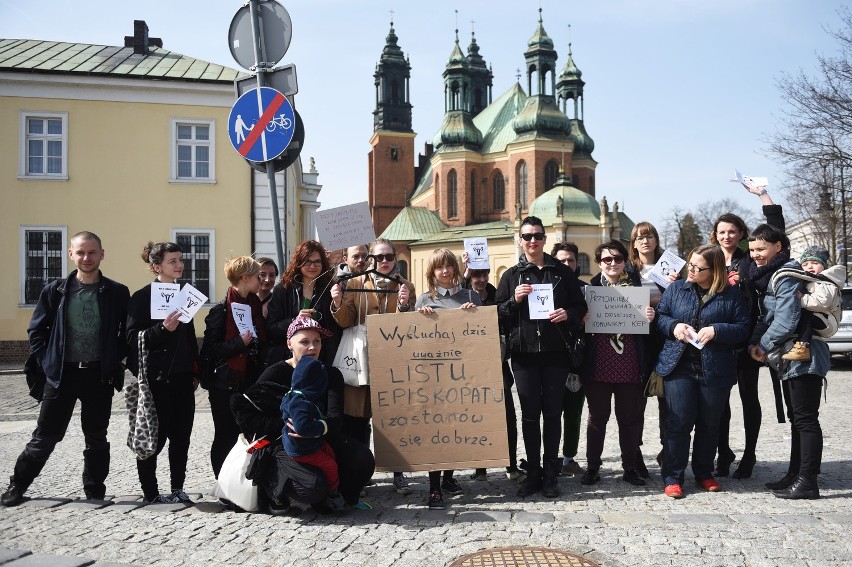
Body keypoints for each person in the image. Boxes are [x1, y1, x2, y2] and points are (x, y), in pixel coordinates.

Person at [2, 232, 130, 506]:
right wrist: (48, 362)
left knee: (96, 437)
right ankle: (17, 486)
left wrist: (115, 360)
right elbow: (36, 331)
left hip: (99, 375)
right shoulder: (55, 290)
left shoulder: (117, 292)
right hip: (62, 375)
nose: (86, 258)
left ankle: (95, 489)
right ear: (71, 254)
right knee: (45, 435)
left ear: (102, 254)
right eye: (80, 252)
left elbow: (125, 333)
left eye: (92, 252)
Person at [231, 317, 375, 514]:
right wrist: (287, 426)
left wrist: (316, 428)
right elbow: (247, 417)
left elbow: (335, 418)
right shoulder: (276, 372)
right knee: (313, 487)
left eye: (317, 341)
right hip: (284, 445)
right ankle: (276, 489)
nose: (312, 347)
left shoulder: (330, 374)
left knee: (363, 459)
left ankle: (337, 494)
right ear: (289, 343)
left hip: (320, 439)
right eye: (304, 342)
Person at [495, 216, 586, 498]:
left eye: (537, 235)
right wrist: (515, 301)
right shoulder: (511, 275)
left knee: (552, 415)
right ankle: (532, 473)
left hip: (556, 353)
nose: (532, 241)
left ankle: (550, 475)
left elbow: (580, 305)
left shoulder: (561, 272)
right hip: (523, 356)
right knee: (530, 417)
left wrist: (567, 314)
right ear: (520, 240)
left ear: (544, 239)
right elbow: (498, 313)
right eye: (527, 236)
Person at [655, 245, 751, 498]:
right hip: (680, 366)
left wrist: (718, 330)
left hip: (715, 368)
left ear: (715, 270)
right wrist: (674, 326)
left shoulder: (731, 295)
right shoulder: (677, 289)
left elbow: (743, 328)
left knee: (710, 424)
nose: (692, 270)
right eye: (690, 264)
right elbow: (661, 316)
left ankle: (704, 472)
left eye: (698, 267)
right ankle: (673, 476)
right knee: (679, 421)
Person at [748, 225, 828, 499]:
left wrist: (763, 346)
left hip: (804, 354)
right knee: (797, 418)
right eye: (752, 250)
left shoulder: (785, 275)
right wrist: (755, 342)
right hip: (789, 355)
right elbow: (766, 317)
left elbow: (786, 319)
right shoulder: (771, 275)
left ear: (778, 247)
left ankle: (808, 481)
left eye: (761, 249)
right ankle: (795, 475)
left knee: (805, 419)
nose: (756, 255)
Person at [330, 238, 415, 494]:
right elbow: (345, 321)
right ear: (371, 260)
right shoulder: (355, 284)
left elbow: (411, 324)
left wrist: (403, 304)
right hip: (361, 361)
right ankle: (361, 472)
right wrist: (337, 302)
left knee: (392, 419)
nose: (385, 262)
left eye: (390, 257)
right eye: (380, 258)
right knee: (357, 420)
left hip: (391, 361)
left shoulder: (405, 285)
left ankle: (398, 472)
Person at [711, 184, 784, 479]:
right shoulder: (710, 260)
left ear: (741, 234)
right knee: (719, 401)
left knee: (748, 397)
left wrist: (762, 196)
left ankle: (750, 454)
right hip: (717, 340)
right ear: (715, 236)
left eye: (732, 231)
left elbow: (776, 233)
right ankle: (724, 451)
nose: (726, 236)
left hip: (745, 339)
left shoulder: (750, 260)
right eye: (721, 232)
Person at [125, 241, 200, 504]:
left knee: (182, 438)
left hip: (182, 379)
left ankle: (177, 487)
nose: (179, 265)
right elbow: (132, 339)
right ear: (156, 266)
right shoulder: (142, 297)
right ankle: (151, 492)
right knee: (153, 438)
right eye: (172, 261)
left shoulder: (185, 294)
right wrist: (161, 330)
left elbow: (189, 336)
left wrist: (195, 370)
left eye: (180, 260)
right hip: (156, 381)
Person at [581, 240, 656, 489]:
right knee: (597, 418)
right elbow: (576, 327)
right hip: (598, 364)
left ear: (625, 260)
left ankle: (630, 467)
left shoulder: (639, 288)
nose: (612, 263)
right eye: (606, 259)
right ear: (599, 263)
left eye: (617, 259)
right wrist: (583, 320)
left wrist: (650, 318)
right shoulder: (589, 290)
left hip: (630, 363)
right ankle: (592, 467)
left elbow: (652, 327)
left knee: (629, 419)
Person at [415, 248, 482, 509]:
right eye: (438, 267)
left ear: (455, 268)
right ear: (431, 272)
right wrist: (420, 319)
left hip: (463, 374)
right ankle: (434, 488)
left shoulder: (471, 296)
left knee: (457, 427)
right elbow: (414, 339)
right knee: (436, 430)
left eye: (448, 266)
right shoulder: (423, 300)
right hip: (433, 376)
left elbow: (481, 334)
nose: (444, 271)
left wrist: (473, 313)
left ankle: (449, 478)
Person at [200, 256, 266, 478]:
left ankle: (241, 481)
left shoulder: (254, 305)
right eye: (258, 276)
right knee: (225, 435)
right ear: (246, 278)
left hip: (249, 381)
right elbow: (210, 349)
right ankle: (222, 481)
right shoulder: (221, 310)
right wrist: (240, 343)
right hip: (224, 384)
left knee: (247, 434)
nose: (262, 281)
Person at [461, 255, 524, 483]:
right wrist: (464, 271)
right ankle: (480, 468)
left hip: (498, 366)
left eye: (484, 273)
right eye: (476, 274)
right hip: (469, 370)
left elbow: (508, 318)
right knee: (477, 418)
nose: (481, 279)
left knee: (508, 416)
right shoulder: (462, 295)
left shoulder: (497, 295)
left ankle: (511, 464)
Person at [627, 222, 676, 477]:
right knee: (636, 402)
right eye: (640, 237)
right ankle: (635, 453)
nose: (645, 241)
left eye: (650, 236)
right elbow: (616, 301)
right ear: (633, 243)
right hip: (637, 341)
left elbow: (683, 299)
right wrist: (649, 301)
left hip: (666, 338)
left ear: (657, 240)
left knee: (667, 400)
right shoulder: (627, 271)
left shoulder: (672, 268)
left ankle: (667, 452)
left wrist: (672, 289)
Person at [280, 345, 346, 510]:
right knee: (330, 465)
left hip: (312, 442)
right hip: (302, 448)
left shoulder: (298, 395)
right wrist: (320, 427)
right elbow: (303, 428)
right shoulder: (300, 402)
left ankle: (329, 481)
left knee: (331, 453)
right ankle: (333, 493)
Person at [266, 241, 339, 367]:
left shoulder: (330, 289)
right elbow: (270, 328)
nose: (312, 266)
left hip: (322, 359)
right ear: (298, 263)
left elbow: (336, 328)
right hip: (291, 360)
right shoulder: (283, 290)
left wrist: (338, 305)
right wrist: (295, 320)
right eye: (307, 261)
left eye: (317, 261)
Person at [550, 242, 586, 477]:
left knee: (573, 412)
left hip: (577, 359)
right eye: (561, 260)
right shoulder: (544, 288)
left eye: (570, 260)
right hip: (550, 359)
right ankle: (549, 458)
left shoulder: (586, 290)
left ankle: (568, 458)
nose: (566, 264)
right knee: (551, 412)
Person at [781, 245, 844, 361]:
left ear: (824, 266)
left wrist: (800, 299)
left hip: (828, 321)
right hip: (821, 318)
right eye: (805, 264)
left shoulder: (825, 283)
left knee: (807, 317)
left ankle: (802, 348)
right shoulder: (810, 281)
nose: (809, 266)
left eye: (815, 263)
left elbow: (821, 302)